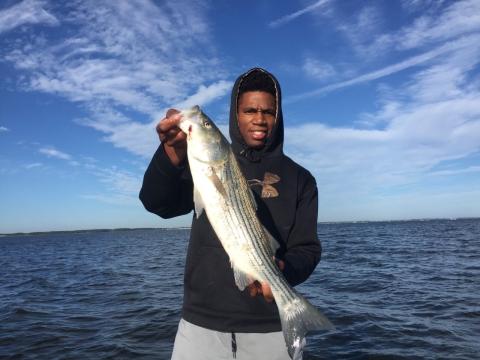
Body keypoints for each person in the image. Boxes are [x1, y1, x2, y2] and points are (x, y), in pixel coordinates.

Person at [139, 68, 322, 360]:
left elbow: (308, 249)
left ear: (279, 116)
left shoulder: (301, 179)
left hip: (271, 329)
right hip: (200, 326)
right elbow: (156, 203)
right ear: (235, 115)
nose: (259, 119)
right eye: (250, 110)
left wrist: (282, 269)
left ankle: (295, 313)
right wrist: (171, 154)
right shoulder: (203, 165)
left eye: (268, 112)